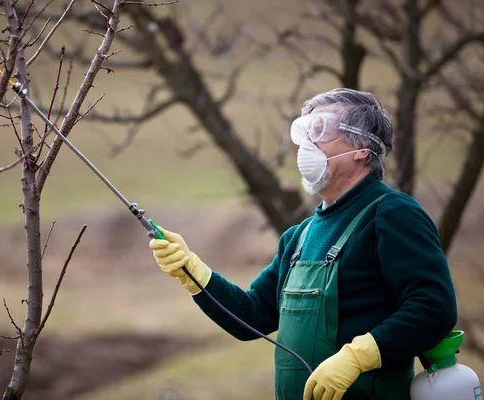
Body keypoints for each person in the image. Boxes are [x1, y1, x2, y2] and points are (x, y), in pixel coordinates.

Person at [148, 88, 457, 400]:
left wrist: (358, 357)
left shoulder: (391, 213)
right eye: (305, 131)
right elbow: (252, 317)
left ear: (361, 148)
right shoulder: (299, 236)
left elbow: (434, 308)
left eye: (320, 130)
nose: (307, 144)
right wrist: (193, 273)